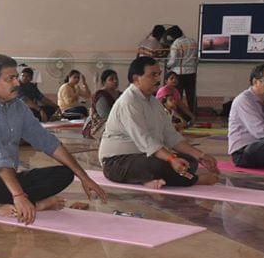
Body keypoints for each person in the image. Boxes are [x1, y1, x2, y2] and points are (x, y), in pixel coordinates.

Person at [0, 54, 107, 223]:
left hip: (5, 178)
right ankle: (21, 203)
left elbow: (48, 142)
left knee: (65, 173)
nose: (17, 83)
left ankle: (5, 202)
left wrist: (84, 177)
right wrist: (18, 195)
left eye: (16, 77)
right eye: (10, 79)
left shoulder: (18, 107)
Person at [100, 56, 219, 188]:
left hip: (143, 156)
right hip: (116, 162)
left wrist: (200, 155)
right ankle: (194, 180)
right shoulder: (129, 102)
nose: (157, 79)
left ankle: (146, 179)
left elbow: (171, 136)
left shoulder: (154, 102)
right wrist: (172, 159)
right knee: (158, 165)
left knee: (190, 161)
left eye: (158, 74)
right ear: (136, 79)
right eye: (153, 75)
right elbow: (145, 140)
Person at [164, 25, 198, 117]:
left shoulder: (176, 43)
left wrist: (168, 66)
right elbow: (196, 56)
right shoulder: (192, 41)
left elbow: (173, 59)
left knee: (177, 96)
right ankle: (193, 114)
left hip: (179, 73)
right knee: (191, 95)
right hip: (192, 72)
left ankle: (179, 115)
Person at [82, 69, 120, 139]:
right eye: (111, 79)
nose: (115, 81)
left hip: (117, 122)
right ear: (104, 82)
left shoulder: (120, 94)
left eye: (116, 78)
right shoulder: (100, 96)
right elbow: (104, 115)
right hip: (99, 126)